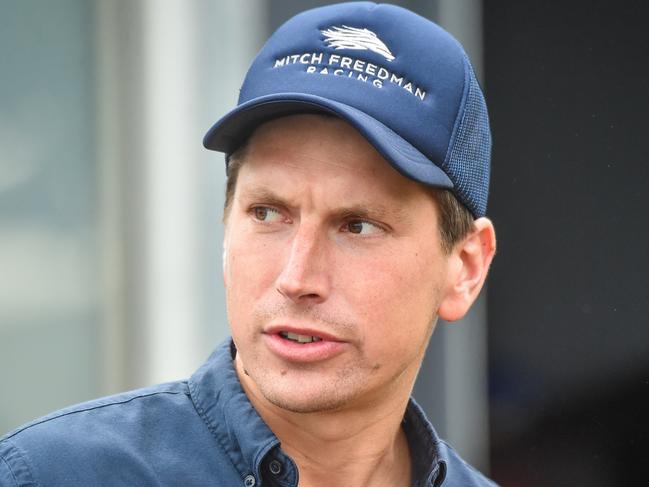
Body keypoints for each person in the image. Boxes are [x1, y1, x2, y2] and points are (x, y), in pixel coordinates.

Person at [0, 2, 497, 486]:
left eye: (358, 226)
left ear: (466, 267)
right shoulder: (49, 474)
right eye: (267, 213)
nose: (296, 278)